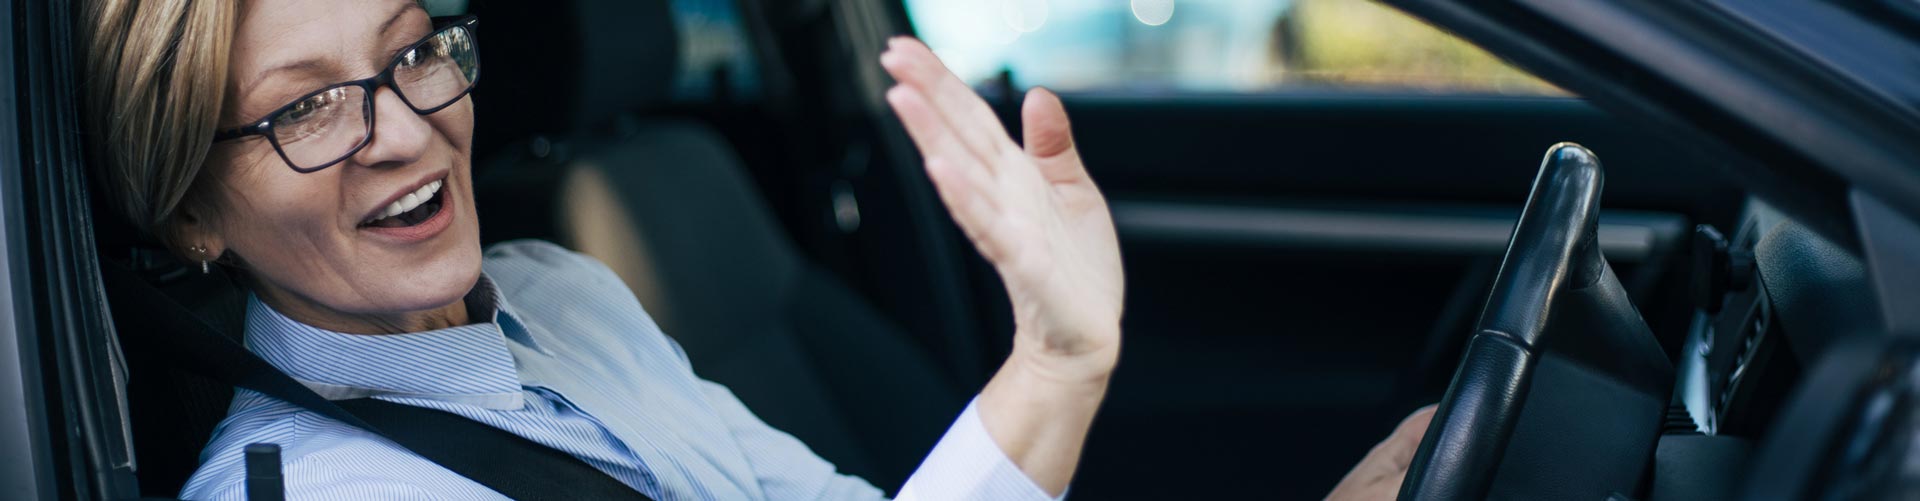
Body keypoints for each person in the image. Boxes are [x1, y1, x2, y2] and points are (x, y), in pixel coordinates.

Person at [77, 0, 1431, 498]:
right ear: (191, 210)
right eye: (306, 108)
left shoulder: (562, 292)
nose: (404, 129)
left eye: (413, 53)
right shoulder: (321, 490)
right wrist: (1055, 364)